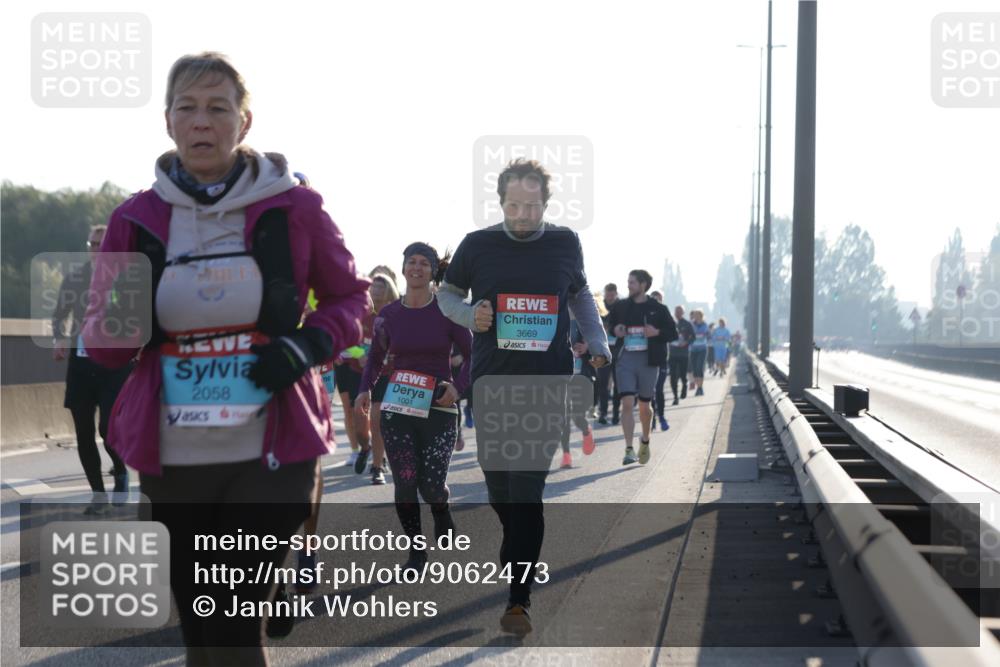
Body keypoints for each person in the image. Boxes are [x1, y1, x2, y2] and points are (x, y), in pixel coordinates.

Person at [81, 52, 369, 666]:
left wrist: (303, 345)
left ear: (244, 121)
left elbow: (349, 298)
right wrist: (116, 303)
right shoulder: (134, 218)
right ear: (168, 122)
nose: (202, 122)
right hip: (175, 450)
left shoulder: (295, 207)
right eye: (187, 108)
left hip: (271, 443)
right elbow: (106, 346)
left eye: (217, 108)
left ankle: (278, 584)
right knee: (200, 626)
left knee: (234, 621)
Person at [436, 158, 609, 637]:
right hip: (492, 382)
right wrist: (472, 316)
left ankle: (519, 599)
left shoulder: (564, 242)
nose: (522, 215)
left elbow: (580, 295)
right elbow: (446, 295)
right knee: (501, 491)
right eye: (514, 205)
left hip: (547, 383)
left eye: (532, 206)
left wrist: (597, 341)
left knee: (527, 491)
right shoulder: (478, 245)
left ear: (546, 204)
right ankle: (517, 549)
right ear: (501, 201)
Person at [355, 243, 471, 571]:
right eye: (411, 262)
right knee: (405, 480)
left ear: (433, 270)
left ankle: (441, 506)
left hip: (439, 404)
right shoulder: (389, 315)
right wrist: (364, 389)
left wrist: (458, 388)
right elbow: (375, 359)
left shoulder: (449, 311)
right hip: (398, 406)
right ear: (403, 268)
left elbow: (474, 356)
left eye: (424, 263)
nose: (416, 268)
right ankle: (416, 551)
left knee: (431, 485)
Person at [52, 224, 132, 513]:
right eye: (93, 243)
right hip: (81, 365)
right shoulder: (75, 279)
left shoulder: (125, 278)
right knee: (83, 433)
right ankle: (98, 496)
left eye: (102, 242)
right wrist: (59, 337)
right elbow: (59, 315)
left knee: (108, 428)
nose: (97, 248)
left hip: (115, 365)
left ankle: (121, 471)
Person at [607, 270, 677, 466]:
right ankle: (629, 449)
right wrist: (616, 330)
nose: (628, 285)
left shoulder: (658, 309)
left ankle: (645, 441)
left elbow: (673, 333)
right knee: (627, 403)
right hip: (626, 359)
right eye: (628, 282)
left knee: (645, 407)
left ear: (644, 284)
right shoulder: (621, 307)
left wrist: (657, 332)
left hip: (648, 361)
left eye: (632, 283)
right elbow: (611, 326)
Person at [366, 272, 400, 484]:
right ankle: (376, 466)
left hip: (398, 373)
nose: (375, 290)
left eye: (380, 287)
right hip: (374, 373)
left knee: (396, 423)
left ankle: (400, 462)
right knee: (376, 419)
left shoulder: (398, 312)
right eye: (373, 287)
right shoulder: (363, 314)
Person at [596, 282, 620, 425]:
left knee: (618, 383)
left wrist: (610, 327)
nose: (610, 297)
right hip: (602, 349)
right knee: (602, 383)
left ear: (616, 294)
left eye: (612, 295)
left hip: (618, 348)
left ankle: (616, 413)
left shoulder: (621, 306)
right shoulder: (599, 305)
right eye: (607, 295)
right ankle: (603, 413)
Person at [648, 290, 670, 431]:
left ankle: (661, 416)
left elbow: (671, 334)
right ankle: (652, 418)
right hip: (647, 358)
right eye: (654, 298)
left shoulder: (665, 315)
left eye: (659, 299)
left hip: (662, 358)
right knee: (649, 391)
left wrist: (658, 332)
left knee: (659, 389)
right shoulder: (644, 315)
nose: (656, 301)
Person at [668, 305, 694, 405]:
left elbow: (693, 337)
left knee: (683, 375)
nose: (678, 313)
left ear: (683, 313)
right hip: (673, 353)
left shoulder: (687, 324)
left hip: (683, 354)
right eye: (676, 311)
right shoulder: (670, 323)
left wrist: (686, 342)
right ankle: (675, 397)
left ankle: (684, 385)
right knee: (673, 376)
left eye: (680, 311)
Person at [689, 309, 709, 396]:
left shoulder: (705, 325)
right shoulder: (691, 324)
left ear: (701, 316)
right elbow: (689, 334)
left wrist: (697, 334)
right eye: (695, 315)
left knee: (699, 367)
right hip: (693, 349)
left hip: (702, 349)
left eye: (697, 315)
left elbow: (706, 334)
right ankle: (698, 387)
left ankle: (700, 388)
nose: (695, 317)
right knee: (695, 369)